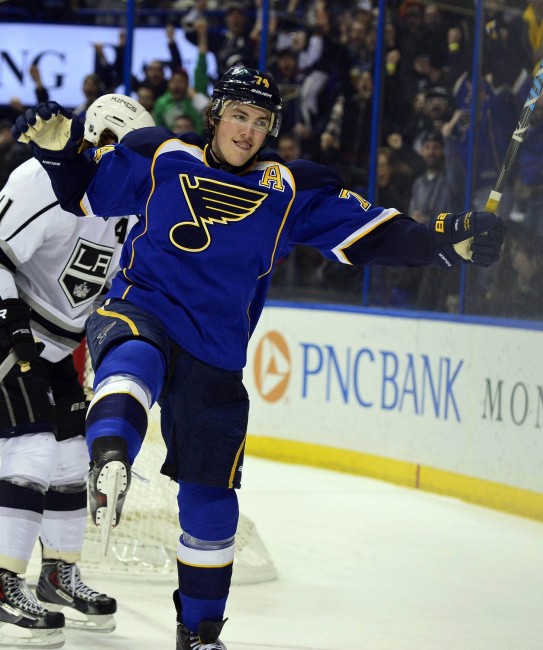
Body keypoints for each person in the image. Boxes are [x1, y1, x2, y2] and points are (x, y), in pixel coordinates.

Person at [11, 65, 506, 650]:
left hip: (216, 352)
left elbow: (373, 234)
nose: (248, 131)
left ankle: (199, 633)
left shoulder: (290, 189)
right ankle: (111, 453)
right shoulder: (159, 156)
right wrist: (62, 152)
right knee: (134, 357)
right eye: (239, 116)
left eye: (261, 121)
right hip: (140, 309)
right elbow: (84, 186)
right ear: (215, 116)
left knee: (213, 503)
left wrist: (444, 239)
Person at [0, 93, 154, 649]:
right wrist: (11, 331)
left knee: (70, 454)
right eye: (121, 150)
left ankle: (57, 574)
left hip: (56, 346)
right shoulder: (41, 179)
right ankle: (2, 581)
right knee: (32, 447)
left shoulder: (129, 199)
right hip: (10, 328)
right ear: (96, 140)